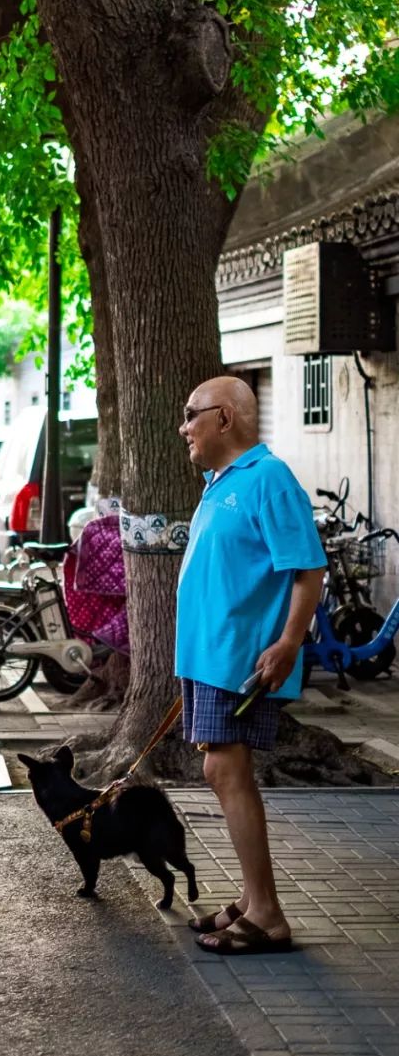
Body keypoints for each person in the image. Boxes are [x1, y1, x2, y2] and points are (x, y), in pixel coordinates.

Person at [175, 376, 326, 956]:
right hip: (209, 658)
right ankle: (252, 897)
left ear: (225, 418)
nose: (185, 427)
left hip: (241, 659)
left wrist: (289, 642)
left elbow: (307, 569)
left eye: (192, 415)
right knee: (221, 770)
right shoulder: (219, 482)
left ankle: (266, 913)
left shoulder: (269, 479)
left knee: (226, 771)